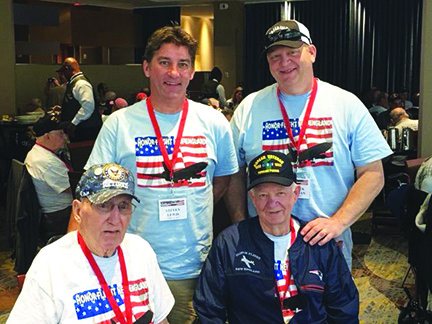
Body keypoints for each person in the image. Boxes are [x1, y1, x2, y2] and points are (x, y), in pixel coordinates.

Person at [85, 25, 238, 324]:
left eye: (182, 65)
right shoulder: (120, 124)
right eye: (164, 62)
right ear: (146, 67)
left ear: (192, 71)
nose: (174, 73)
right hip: (130, 265)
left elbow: (221, 181)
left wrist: (193, 201)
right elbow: (91, 192)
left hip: (193, 266)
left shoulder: (213, 122)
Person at [226, 20, 392, 268]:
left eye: (292, 53)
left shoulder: (345, 105)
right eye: (275, 56)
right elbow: (234, 173)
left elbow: (372, 174)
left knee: (330, 307)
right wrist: (242, 225)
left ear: (311, 52)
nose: (284, 63)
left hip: (326, 241)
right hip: (264, 242)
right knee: (265, 306)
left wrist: (338, 222)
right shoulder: (249, 108)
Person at [194, 151, 359, 323]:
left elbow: (343, 307)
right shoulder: (229, 243)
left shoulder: (318, 242)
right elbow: (209, 310)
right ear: (253, 198)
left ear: (295, 193)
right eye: (263, 195)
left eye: (280, 193)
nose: (272, 203)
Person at [7, 163, 174, 324]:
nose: (115, 220)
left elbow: (160, 319)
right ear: (78, 211)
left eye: (123, 206)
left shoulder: (141, 250)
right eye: (103, 206)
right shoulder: (51, 263)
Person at [24, 113, 73, 242]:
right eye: (60, 134)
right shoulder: (47, 162)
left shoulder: (37, 152)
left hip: (54, 214)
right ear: (47, 136)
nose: (65, 138)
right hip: (60, 216)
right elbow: (73, 188)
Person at [57, 57, 102, 142]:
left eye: (63, 71)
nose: (63, 75)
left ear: (67, 69)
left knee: (82, 153)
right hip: (83, 129)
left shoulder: (81, 83)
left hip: (86, 130)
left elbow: (87, 106)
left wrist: (74, 123)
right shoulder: (75, 83)